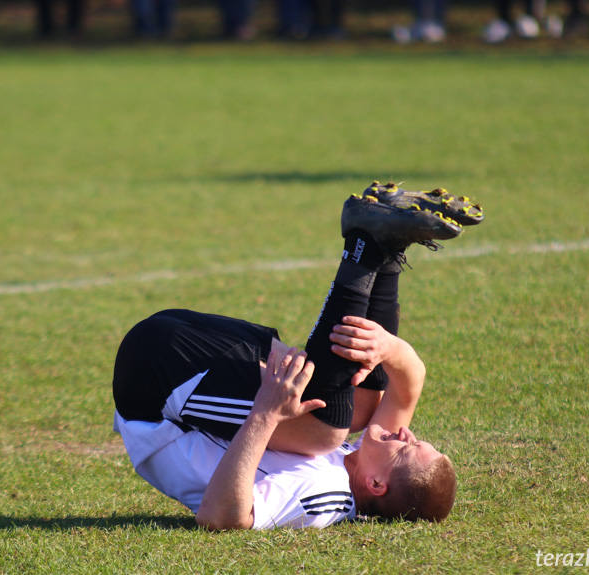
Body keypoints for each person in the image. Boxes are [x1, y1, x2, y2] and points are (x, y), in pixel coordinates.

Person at [113, 182, 484, 530]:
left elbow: (222, 516)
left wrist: (265, 413)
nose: (407, 433)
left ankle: (363, 246)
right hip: (178, 348)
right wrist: (390, 347)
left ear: (375, 484)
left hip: (157, 393)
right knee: (361, 407)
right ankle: (388, 249)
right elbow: (408, 384)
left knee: (327, 429)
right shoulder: (361, 461)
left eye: (409, 448)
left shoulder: (328, 497)